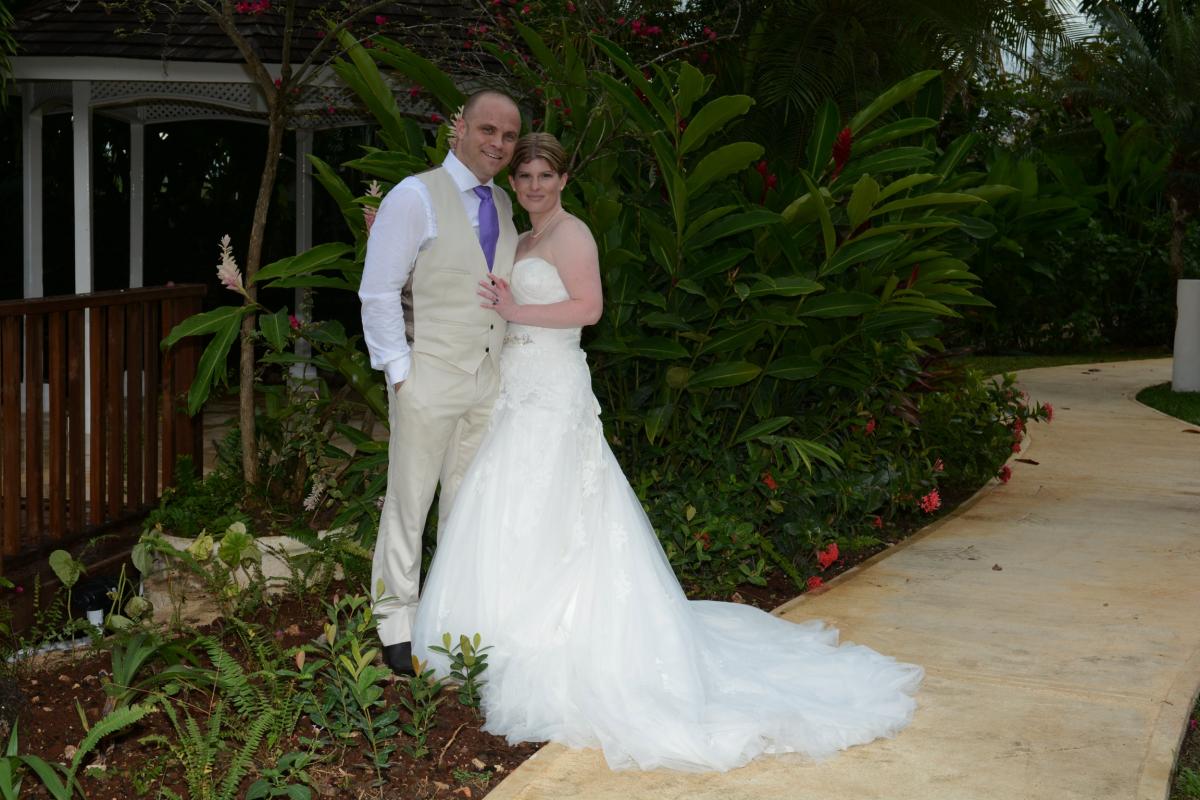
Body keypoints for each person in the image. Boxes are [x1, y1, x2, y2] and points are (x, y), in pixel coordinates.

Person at [411, 133, 924, 772]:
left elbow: (589, 309)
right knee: (506, 503)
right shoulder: (520, 238)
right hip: (515, 387)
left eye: (546, 175)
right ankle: (491, 635)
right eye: (526, 177)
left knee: (555, 504)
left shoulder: (573, 236)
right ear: (514, 184)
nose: (535, 186)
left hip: (554, 387)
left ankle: (553, 636)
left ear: (564, 180)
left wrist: (516, 308)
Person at [358, 90, 522, 676]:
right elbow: (378, 290)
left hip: (484, 380)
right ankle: (396, 625)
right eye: (487, 130)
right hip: (427, 376)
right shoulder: (414, 195)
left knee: (463, 503)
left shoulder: (504, 204)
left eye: (508, 136)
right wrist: (401, 376)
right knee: (409, 501)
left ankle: (448, 617)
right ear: (460, 130)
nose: (498, 144)